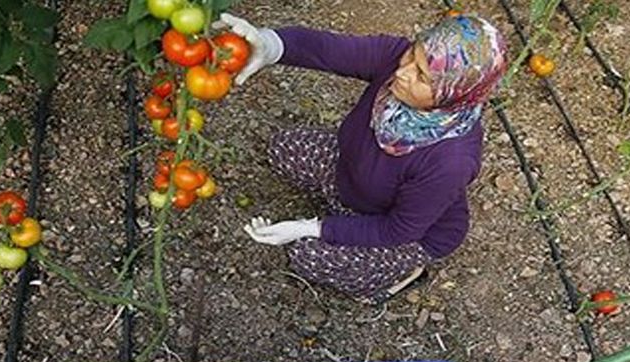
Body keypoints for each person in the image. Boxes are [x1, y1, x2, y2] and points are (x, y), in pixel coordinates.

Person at [218, 12, 508, 302]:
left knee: (307, 256)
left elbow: (397, 229)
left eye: (422, 76)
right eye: (413, 54)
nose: (403, 72)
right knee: (285, 148)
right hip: (357, 179)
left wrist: (310, 227)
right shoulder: (395, 59)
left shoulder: (450, 160)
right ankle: (346, 216)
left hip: (406, 232)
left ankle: (399, 274)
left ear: (453, 94)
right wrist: (270, 45)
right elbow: (328, 49)